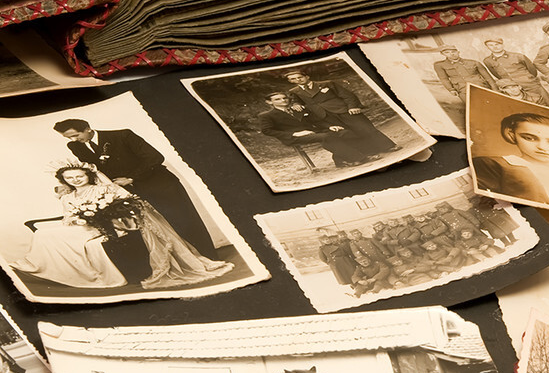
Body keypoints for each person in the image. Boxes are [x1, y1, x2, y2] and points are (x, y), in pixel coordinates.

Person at [15, 164, 233, 290]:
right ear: (64, 180)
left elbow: (130, 206)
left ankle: (34, 265)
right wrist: (77, 220)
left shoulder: (105, 189)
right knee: (44, 235)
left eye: (79, 176)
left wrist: (99, 215)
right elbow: (67, 218)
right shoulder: (67, 196)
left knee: (46, 236)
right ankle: (45, 267)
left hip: (110, 226)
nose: (76, 180)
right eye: (70, 178)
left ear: (88, 175)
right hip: (82, 228)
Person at [54, 118, 218, 258]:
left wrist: (131, 178)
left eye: (75, 135)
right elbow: (91, 170)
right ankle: (182, 260)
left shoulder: (122, 135)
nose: (73, 140)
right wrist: (68, 186)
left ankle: (209, 256)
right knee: (151, 228)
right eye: (68, 137)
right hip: (128, 193)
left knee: (184, 219)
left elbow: (155, 158)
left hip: (159, 184)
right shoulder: (75, 146)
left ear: (87, 129)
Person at [283, 69, 400, 154]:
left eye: (300, 77)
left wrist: (352, 107)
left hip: (344, 110)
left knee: (364, 128)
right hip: (325, 116)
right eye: (293, 79)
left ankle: (388, 146)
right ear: (290, 81)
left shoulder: (326, 83)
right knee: (349, 133)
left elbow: (347, 95)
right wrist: (296, 104)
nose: (298, 80)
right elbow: (295, 101)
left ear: (307, 76)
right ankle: (371, 152)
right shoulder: (294, 91)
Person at [258, 92, 375, 167]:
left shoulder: (297, 109)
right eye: (277, 99)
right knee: (326, 137)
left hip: (314, 132)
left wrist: (329, 127)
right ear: (269, 102)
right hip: (294, 137)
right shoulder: (267, 115)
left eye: (284, 98)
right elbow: (267, 130)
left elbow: (315, 121)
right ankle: (359, 158)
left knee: (344, 132)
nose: (283, 100)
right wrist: (295, 134)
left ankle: (341, 160)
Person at [482, 38, 549, 100]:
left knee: (546, 102)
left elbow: (532, 70)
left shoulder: (518, 56)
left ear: (502, 45)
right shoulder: (488, 61)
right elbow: (496, 74)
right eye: (491, 45)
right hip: (513, 89)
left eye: (497, 44)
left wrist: (527, 79)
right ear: (487, 47)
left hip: (530, 84)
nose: (495, 47)